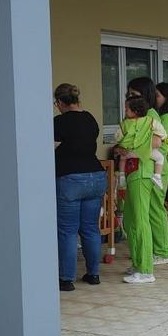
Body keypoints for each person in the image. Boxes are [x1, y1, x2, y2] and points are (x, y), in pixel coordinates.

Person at [53, 83, 107, 291]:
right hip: (96, 176)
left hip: (71, 179)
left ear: (60, 102)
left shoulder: (60, 121)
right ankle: (93, 275)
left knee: (67, 231)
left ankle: (66, 280)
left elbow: (50, 147)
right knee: (91, 228)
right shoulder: (90, 119)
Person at [127, 77, 168, 273]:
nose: (130, 99)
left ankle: (160, 252)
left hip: (153, 169)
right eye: (128, 95)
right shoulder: (142, 113)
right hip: (142, 167)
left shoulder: (151, 113)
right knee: (138, 217)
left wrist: (131, 146)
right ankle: (145, 257)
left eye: (134, 95)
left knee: (151, 212)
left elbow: (157, 142)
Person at [115, 94, 160, 284]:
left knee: (141, 221)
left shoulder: (150, 121)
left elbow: (157, 142)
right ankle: (138, 262)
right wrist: (121, 149)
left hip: (142, 172)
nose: (125, 112)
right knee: (131, 220)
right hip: (133, 173)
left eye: (127, 109)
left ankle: (146, 270)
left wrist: (131, 146)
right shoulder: (128, 125)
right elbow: (117, 145)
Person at [115, 94, 168, 191]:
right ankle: (157, 176)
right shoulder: (151, 121)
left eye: (127, 109)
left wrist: (121, 143)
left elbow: (117, 136)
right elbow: (161, 131)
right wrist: (165, 138)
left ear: (135, 112)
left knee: (122, 157)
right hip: (146, 151)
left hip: (130, 152)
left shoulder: (125, 123)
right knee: (160, 158)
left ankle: (121, 177)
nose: (125, 111)